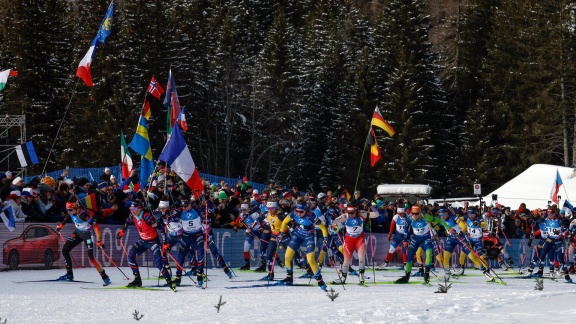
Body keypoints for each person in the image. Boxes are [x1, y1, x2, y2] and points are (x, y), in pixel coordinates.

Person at [116, 201, 176, 291]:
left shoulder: (147, 217)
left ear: (139, 208)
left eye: (134, 209)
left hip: (153, 243)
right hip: (142, 241)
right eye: (131, 209)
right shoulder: (132, 215)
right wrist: (122, 231)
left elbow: (161, 229)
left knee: (159, 263)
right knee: (131, 256)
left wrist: (165, 243)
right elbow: (127, 222)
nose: (133, 211)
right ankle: (137, 280)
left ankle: (170, 282)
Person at [56, 197, 110, 286]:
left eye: (70, 210)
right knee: (65, 250)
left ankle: (104, 276)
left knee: (91, 257)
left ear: (76, 208)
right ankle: (69, 274)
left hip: (88, 235)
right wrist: (61, 225)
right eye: (67, 210)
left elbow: (96, 226)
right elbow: (67, 218)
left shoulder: (83, 215)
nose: (68, 212)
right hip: (78, 232)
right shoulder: (71, 212)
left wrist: (99, 240)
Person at [394, 205, 455, 284]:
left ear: (420, 213)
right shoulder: (410, 218)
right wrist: (405, 240)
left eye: (416, 213)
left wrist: (449, 228)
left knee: (429, 253)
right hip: (416, 239)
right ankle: (407, 276)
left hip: (426, 238)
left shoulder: (426, 217)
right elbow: (406, 228)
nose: (414, 215)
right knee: (410, 255)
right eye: (413, 213)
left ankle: (426, 275)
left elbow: (439, 221)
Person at [278, 198, 329, 291]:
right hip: (297, 235)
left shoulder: (312, 216)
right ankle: (289, 277)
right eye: (297, 211)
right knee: (287, 256)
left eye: (301, 212)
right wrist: (281, 233)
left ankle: (319, 280)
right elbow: (285, 222)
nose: (298, 213)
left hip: (309, 236)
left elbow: (324, 228)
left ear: (306, 210)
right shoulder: (294, 213)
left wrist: (325, 238)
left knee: (310, 259)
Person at [331, 204, 368, 285]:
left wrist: (370, 207)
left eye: (352, 213)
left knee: (361, 257)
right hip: (349, 239)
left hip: (359, 238)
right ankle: (343, 278)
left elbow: (376, 215)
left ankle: (361, 277)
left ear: (356, 211)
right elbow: (334, 221)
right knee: (346, 260)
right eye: (349, 212)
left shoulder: (361, 215)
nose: (350, 214)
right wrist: (334, 225)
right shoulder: (346, 216)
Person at [174, 198, 206, 288]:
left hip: (197, 235)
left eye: (186, 206)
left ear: (190, 204)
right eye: (182, 206)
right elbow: (172, 214)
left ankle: (200, 277)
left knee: (200, 255)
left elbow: (204, 208)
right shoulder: (180, 211)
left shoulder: (196, 209)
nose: (184, 208)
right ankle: (178, 278)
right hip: (186, 236)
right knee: (181, 256)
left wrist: (205, 204)